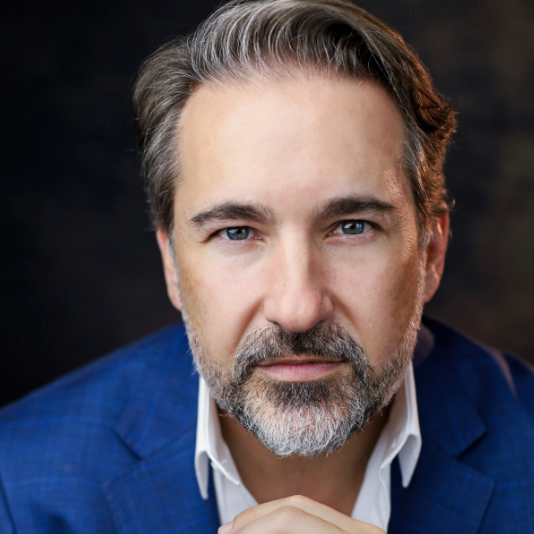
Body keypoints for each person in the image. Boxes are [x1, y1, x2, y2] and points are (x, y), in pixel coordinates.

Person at [1, 0, 533, 532]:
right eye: (236, 232)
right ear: (172, 263)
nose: (298, 310)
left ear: (430, 253)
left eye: (352, 226)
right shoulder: (18, 484)